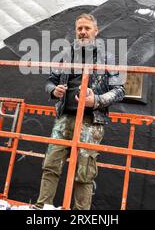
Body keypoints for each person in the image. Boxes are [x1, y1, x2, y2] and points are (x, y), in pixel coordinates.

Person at [35, 13, 125, 210]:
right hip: (65, 117)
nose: (83, 32)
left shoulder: (107, 58)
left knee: (84, 172)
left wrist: (97, 101)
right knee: (51, 164)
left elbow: (120, 90)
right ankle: (43, 208)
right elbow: (51, 80)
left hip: (91, 121)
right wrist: (54, 90)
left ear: (96, 31)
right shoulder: (66, 55)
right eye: (79, 29)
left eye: (87, 28)